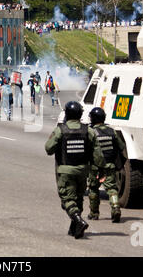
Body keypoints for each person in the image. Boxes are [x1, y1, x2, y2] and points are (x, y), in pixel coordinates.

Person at [45, 101, 105, 239]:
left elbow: (48, 148)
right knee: (78, 199)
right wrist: (101, 170)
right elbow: (98, 154)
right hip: (83, 171)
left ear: (66, 114)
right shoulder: (88, 131)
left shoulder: (61, 130)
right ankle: (75, 229)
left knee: (67, 199)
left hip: (66, 171)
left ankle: (78, 221)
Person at [87, 107, 126, 223]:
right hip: (110, 165)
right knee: (112, 188)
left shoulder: (91, 132)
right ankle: (115, 208)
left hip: (95, 166)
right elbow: (121, 146)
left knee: (93, 188)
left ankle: (94, 213)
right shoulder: (111, 131)